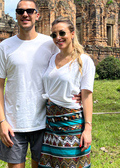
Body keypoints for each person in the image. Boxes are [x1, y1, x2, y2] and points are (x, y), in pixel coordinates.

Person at [0, 0, 69, 168]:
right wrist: (1, 121)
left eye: (29, 11)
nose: (25, 14)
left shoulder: (50, 44)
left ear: (37, 15)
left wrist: (78, 92)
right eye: (20, 11)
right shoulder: (5, 46)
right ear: (16, 15)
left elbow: (66, 68)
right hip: (13, 123)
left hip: (44, 121)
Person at [39, 17, 95, 168]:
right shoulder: (51, 59)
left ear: (72, 33)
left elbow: (87, 95)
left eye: (62, 33)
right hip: (50, 124)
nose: (58, 38)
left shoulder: (84, 61)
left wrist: (88, 129)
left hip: (72, 123)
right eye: (54, 35)